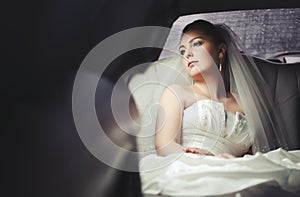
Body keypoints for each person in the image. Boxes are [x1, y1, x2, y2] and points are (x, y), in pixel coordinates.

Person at [154, 19, 287, 158]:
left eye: (197, 44)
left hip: (237, 173)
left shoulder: (245, 102)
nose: (187, 54)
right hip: (190, 168)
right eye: (182, 51)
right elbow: (165, 146)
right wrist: (208, 159)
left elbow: (255, 154)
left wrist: (233, 163)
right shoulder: (176, 93)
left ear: (221, 50)